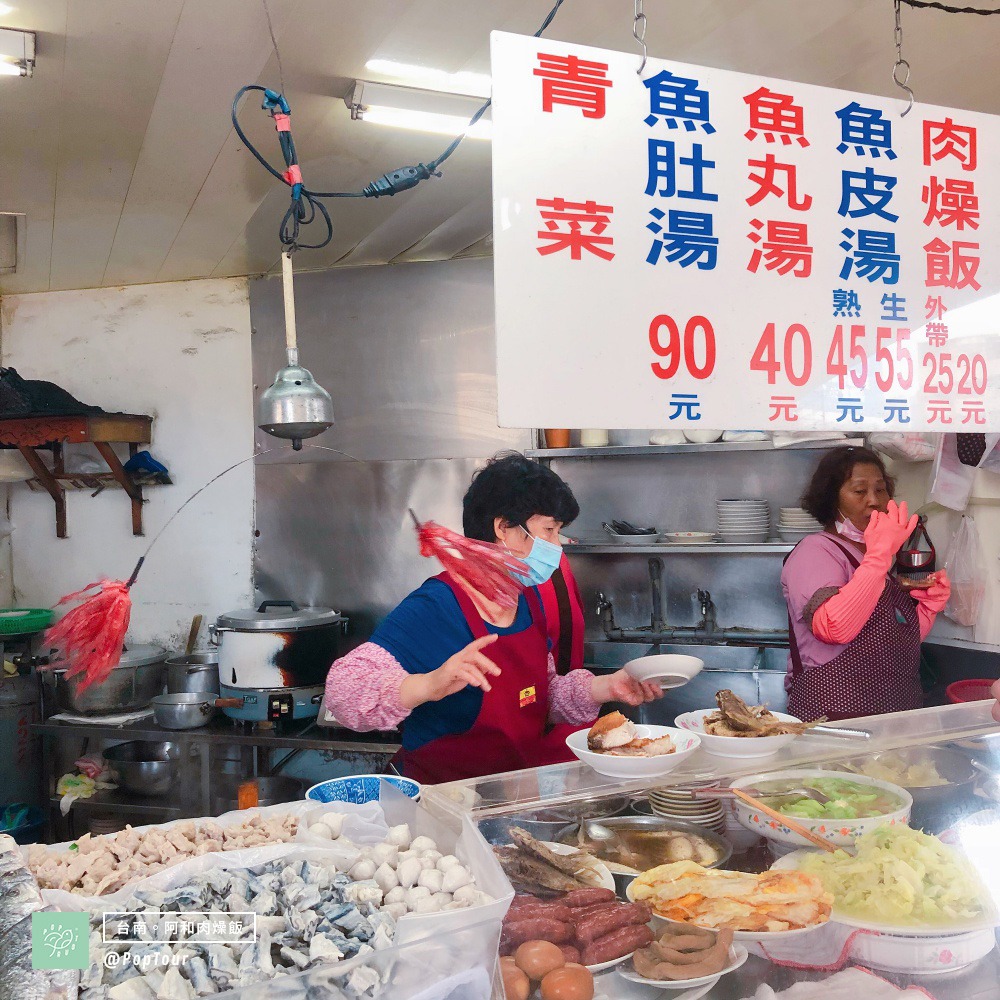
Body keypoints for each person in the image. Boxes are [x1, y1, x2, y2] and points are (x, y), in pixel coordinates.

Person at [323, 453, 663, 782]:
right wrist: (426, 685)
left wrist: (606, 687)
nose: (557, 546)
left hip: (510, 800)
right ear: (503, 527)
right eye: (548, 530)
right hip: (444, 806)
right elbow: (344, 692)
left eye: (558, 531)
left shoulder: (527, 599)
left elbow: (541, 697)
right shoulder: (438, 604)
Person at [780, 446, 951, 721]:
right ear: (831, 499)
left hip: (897, 716)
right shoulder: (816, 550)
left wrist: (928, 608)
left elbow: (890, 641)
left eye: (881, 490)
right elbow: (833, 628)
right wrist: (879, 556)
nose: (874, 501)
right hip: (834, 718)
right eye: (859, 491)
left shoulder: (872, 559)